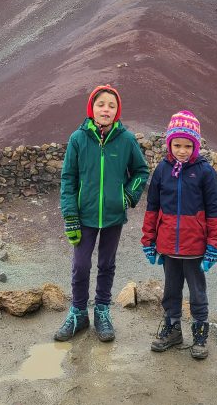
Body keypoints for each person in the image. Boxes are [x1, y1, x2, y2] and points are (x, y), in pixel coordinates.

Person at [55, 85, 150, 342]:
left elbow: (141, 172)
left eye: (111, 105)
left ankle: (102, 312)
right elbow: (68, 179)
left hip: (113, 217)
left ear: (117, 110)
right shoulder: (78, 139)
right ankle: (78, 313)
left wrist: (127, 196)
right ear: (91, 108)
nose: (105, 109)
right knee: (81, 265)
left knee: (107, 264)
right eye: (100, 104)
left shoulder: (126, 140)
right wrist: (70, 217)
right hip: (83, 216)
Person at [142, 110, 217, 359]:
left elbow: (214, 211)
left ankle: (200, 333)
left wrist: (214, 246)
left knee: (197, 292)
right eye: (177, 144)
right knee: (171, 290)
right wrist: (148, 241)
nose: (182, 150)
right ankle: (173, 328)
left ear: (196, 145)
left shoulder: (205, 172)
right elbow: (152, 207)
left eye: (188, 145)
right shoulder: (162, 171)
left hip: (195, 247)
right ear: (169, 143)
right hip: (167, 246)